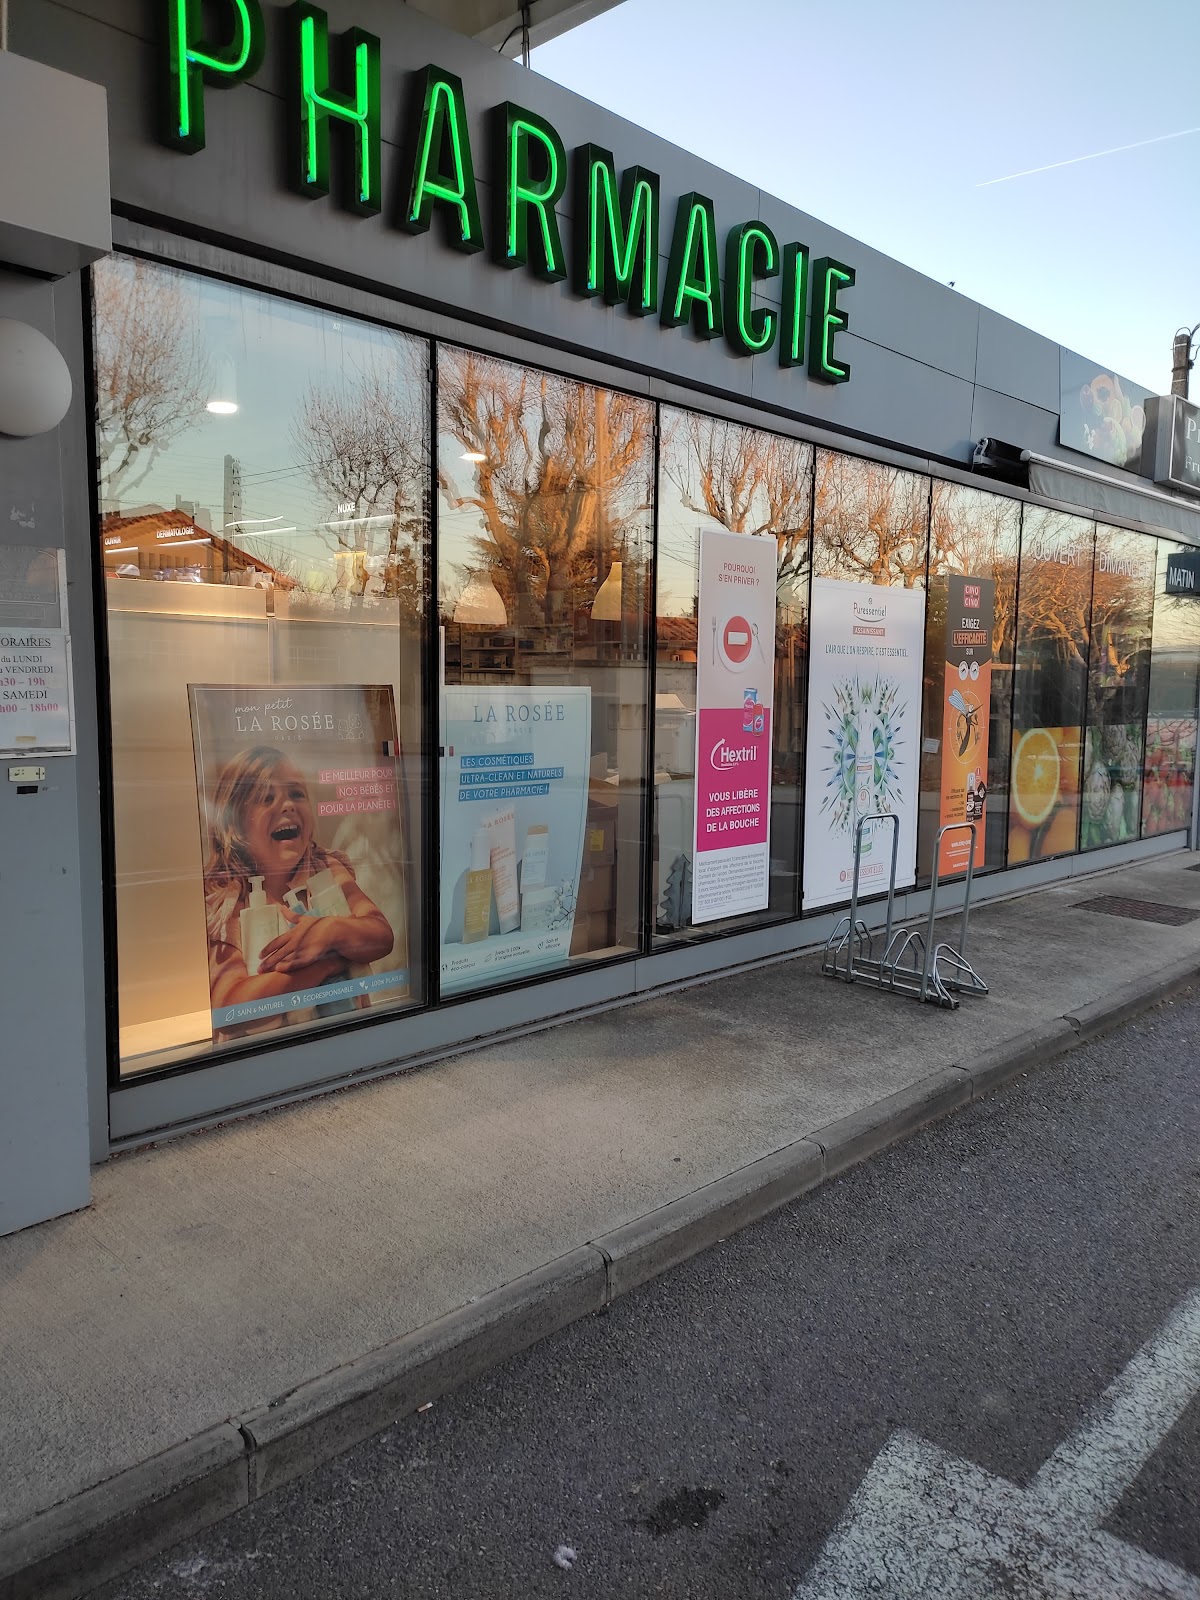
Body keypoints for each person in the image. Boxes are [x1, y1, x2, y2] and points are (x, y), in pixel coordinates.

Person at [203, 745, 394, 1034]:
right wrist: (325, 965)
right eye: (267, 798)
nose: (288, 805)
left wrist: (330, 932)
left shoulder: (326, 869)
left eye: (296, 793)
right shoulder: (231, 897)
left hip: (344, 1039)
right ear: (236, 828)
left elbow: (381, 936)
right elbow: (231, 1010)